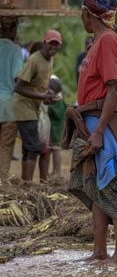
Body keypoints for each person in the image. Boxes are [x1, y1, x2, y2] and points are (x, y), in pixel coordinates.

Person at [64, 0, 117, 264]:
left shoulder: (107, 41)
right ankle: (99, 251)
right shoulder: (98, 43)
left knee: (114, 186)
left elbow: (113, 90)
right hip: (95, 123)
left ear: (87, 14)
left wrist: (97, 132)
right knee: (96, 187)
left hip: (105, 127)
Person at [13, 32, 62, 182]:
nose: (53, 47)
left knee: (29, 147)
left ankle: (24, 183)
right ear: (44, 43)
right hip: (23, 106)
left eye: (56, 44)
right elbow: (18, 87)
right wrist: (41, 97)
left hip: (35, 106)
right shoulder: (34, 60)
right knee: (34, 147)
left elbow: (41, 86)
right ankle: (27, 185)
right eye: (50, 43)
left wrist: (48, 96)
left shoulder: (50, 59)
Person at [0, 17, 24, 184]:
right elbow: (18, 78)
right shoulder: (15, 50)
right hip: (8, 105)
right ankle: (1, 181)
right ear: (13, 29)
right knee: (6, 147)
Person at [47, 76, 67, 178]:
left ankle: (58, 172)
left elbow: (57, 114)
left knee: (56, 151)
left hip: (56, 131)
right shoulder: (61, 101)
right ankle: (54, 171)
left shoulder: (56, 104)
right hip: (56, 131)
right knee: (54, 151)